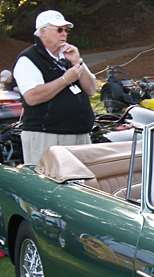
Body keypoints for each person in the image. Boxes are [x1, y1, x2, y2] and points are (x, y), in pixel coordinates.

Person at [13, 10, 97, 166]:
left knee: (83, 185)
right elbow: (32, 97)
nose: (64, 34)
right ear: (42, 32)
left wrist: (77, 62)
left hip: (80, 134)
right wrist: (65, 79)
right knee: (48, 186)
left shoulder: (69, 55)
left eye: (66, 30)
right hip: (47, 135)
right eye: (59, 29)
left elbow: (91, 89)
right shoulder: (28, 59)